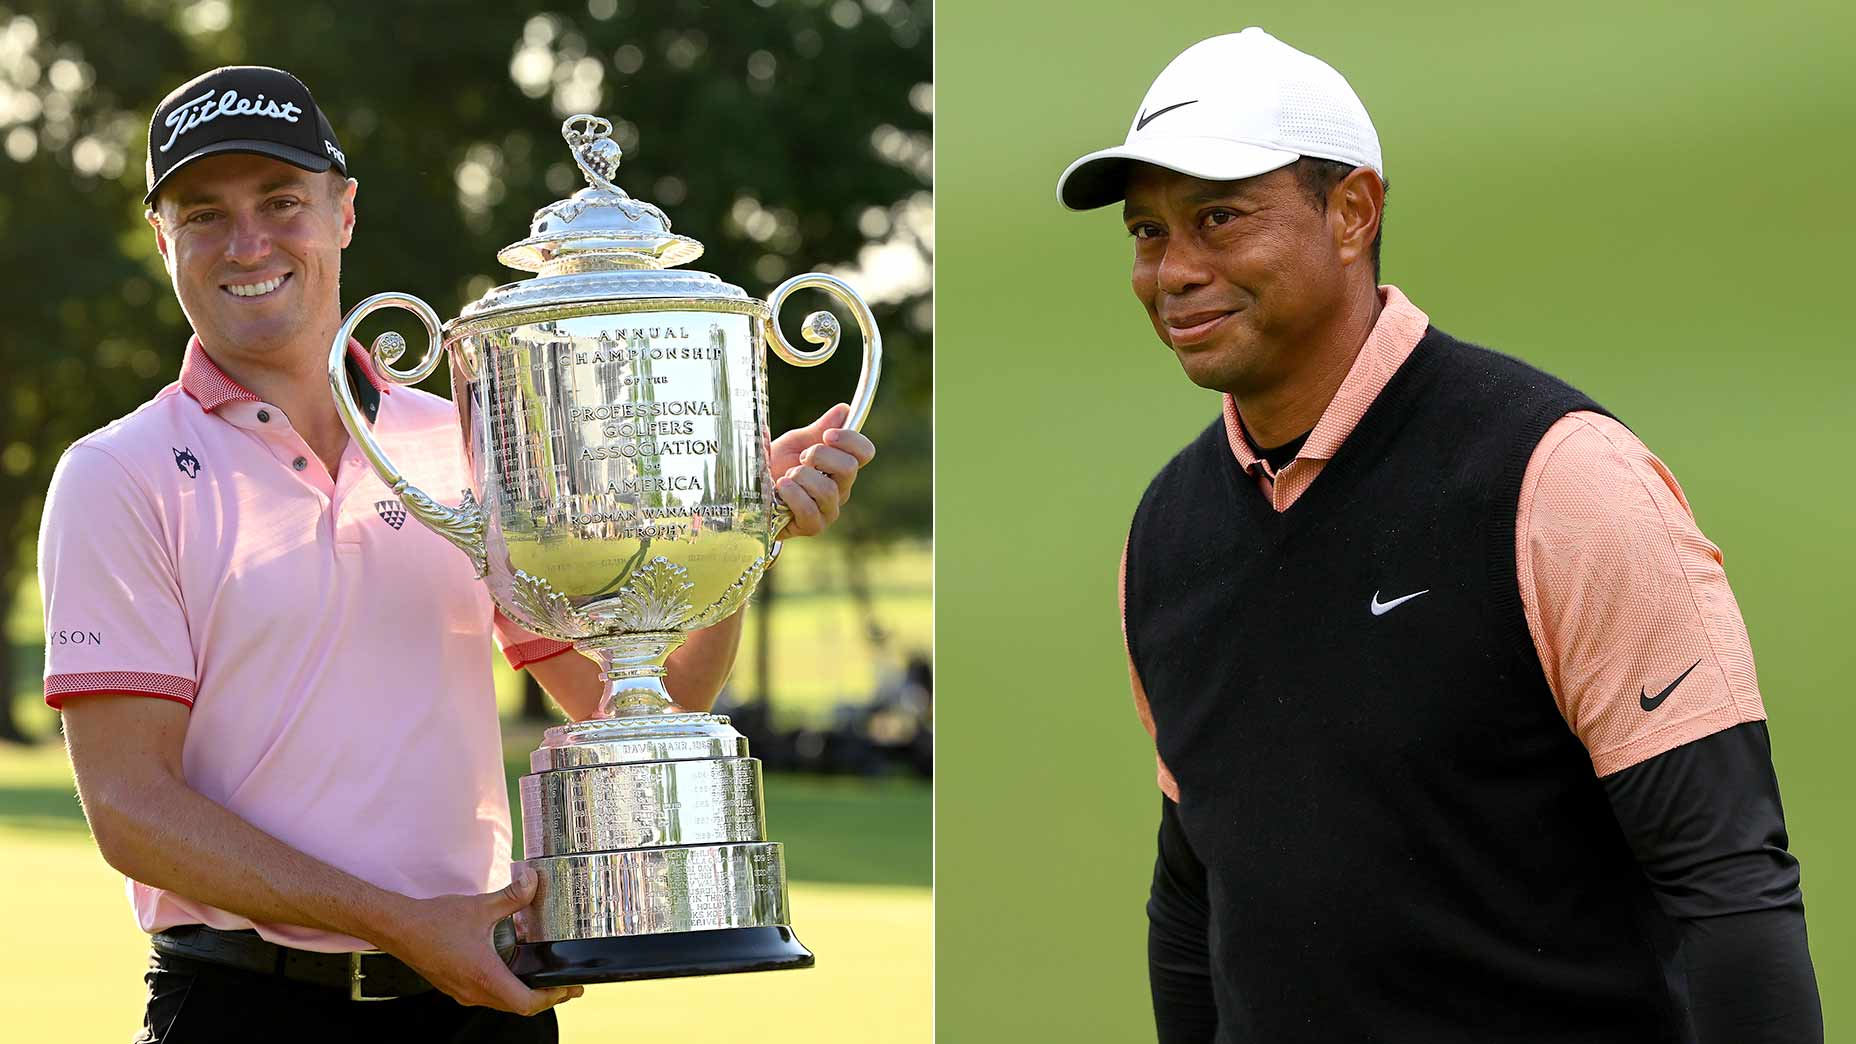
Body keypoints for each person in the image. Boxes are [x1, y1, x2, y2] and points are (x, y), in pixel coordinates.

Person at [38, 66, 875, 1043]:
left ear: (343, 212)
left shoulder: (468, 439)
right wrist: (401, 924)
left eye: (280, 202)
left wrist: (732, 535)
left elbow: (645, 699)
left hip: (476, 998)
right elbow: (132, 808)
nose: (248, 243)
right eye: (204, 214)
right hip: (246, 1007)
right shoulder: (117, 473)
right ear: (162, 238)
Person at [1057, 28, 1821, 1044]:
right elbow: (1194, 897)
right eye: (1148, 233)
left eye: (1219, 218)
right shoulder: (1167, 530)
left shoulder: (1560, 479)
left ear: (1351, 213)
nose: (1175, 270)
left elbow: (1729, 890)